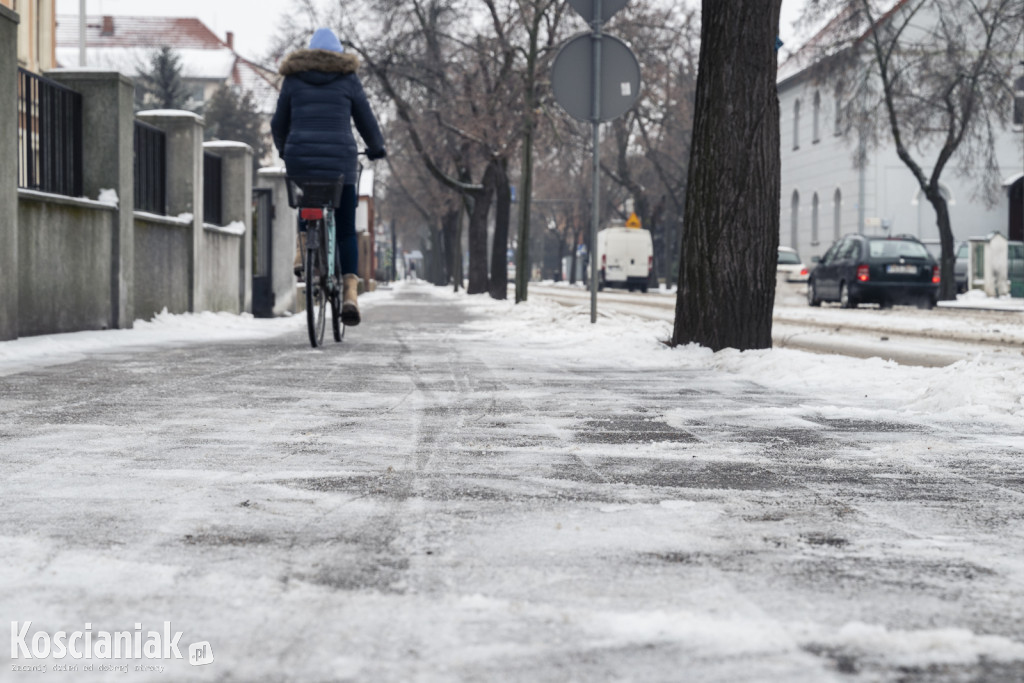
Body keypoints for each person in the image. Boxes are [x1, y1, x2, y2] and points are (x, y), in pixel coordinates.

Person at [271, 28, 386, 326]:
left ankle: (302, 254)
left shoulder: (293, 80)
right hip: (340, 165)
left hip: (301, 160)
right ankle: (350, 294)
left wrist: (286, 151)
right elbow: (365, 120)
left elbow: (278, 122)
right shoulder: (348, 80)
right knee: (346, 228)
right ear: (338, 54)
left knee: (304, 203)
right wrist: (376, 148)